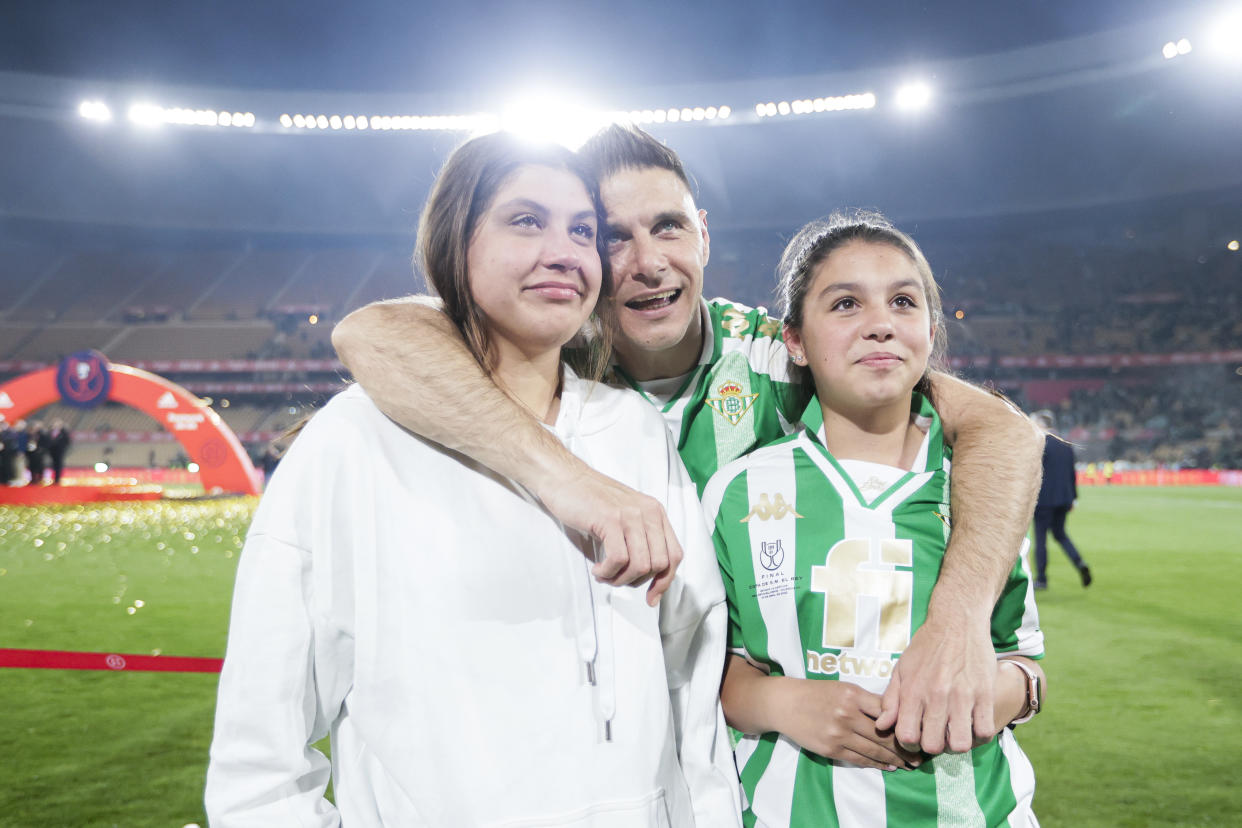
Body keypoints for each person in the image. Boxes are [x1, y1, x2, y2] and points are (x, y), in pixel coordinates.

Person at [332, 123, 1045, 755]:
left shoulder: (777, 357)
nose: (648, 262)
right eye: (613, 235)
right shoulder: (546, 355)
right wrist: (567, 477)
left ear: (703, 232)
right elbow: (373, 333)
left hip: (743, 745)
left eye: (668, 226)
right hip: (581, 732)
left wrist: (957, 622)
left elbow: (1002, 431)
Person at [205, 133, 741, 827]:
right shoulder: (353, 440)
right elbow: (262, 762)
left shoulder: (636, 432)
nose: (562, 251)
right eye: (525, 221)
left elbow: (692, 700)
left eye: (582, 231)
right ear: (456, 244)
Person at [704, 212, 1045, 825]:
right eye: (845, 305)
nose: (880, 325)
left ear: (931, 333)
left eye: (903, 302)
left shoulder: (979, 487)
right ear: (796, 341)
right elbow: (713, 671)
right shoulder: (740, 491)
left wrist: (985, 698)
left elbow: (1021, 659)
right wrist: (784, 704)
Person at [1032, 411, 1091, 590]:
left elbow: (1033, 473)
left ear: (1042, 424)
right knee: (1060, 534)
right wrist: (1073, 498)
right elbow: (1071, 474)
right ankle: (1079, 562)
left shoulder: (1040, 444)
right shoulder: (1066, 445)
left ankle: (1042, 578)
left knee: (1040, 539)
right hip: (1064, 499)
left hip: (1044, 501)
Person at [45, 419, 71, 485]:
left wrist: (63, 448)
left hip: (60, 451)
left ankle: (57, 479)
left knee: (59, 465)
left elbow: (67, 442)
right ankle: (54, 478)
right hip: (52, 451)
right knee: (53, 465)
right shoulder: (50, 432)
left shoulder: (64, 432)